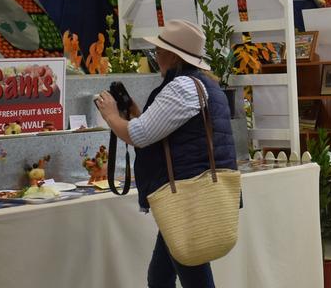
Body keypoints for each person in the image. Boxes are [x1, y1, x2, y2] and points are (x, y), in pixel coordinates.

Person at [96, 19, 235, 288]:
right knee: (159, 277)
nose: (156, 57)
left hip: (185, 196)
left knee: (191, 276)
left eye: (158, 51)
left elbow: (139, 135)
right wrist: (136, 114)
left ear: (173, 56)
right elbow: (168, 133)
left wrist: (112, 115)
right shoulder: (205, 85)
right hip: (191, 192)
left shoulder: (182, 87)